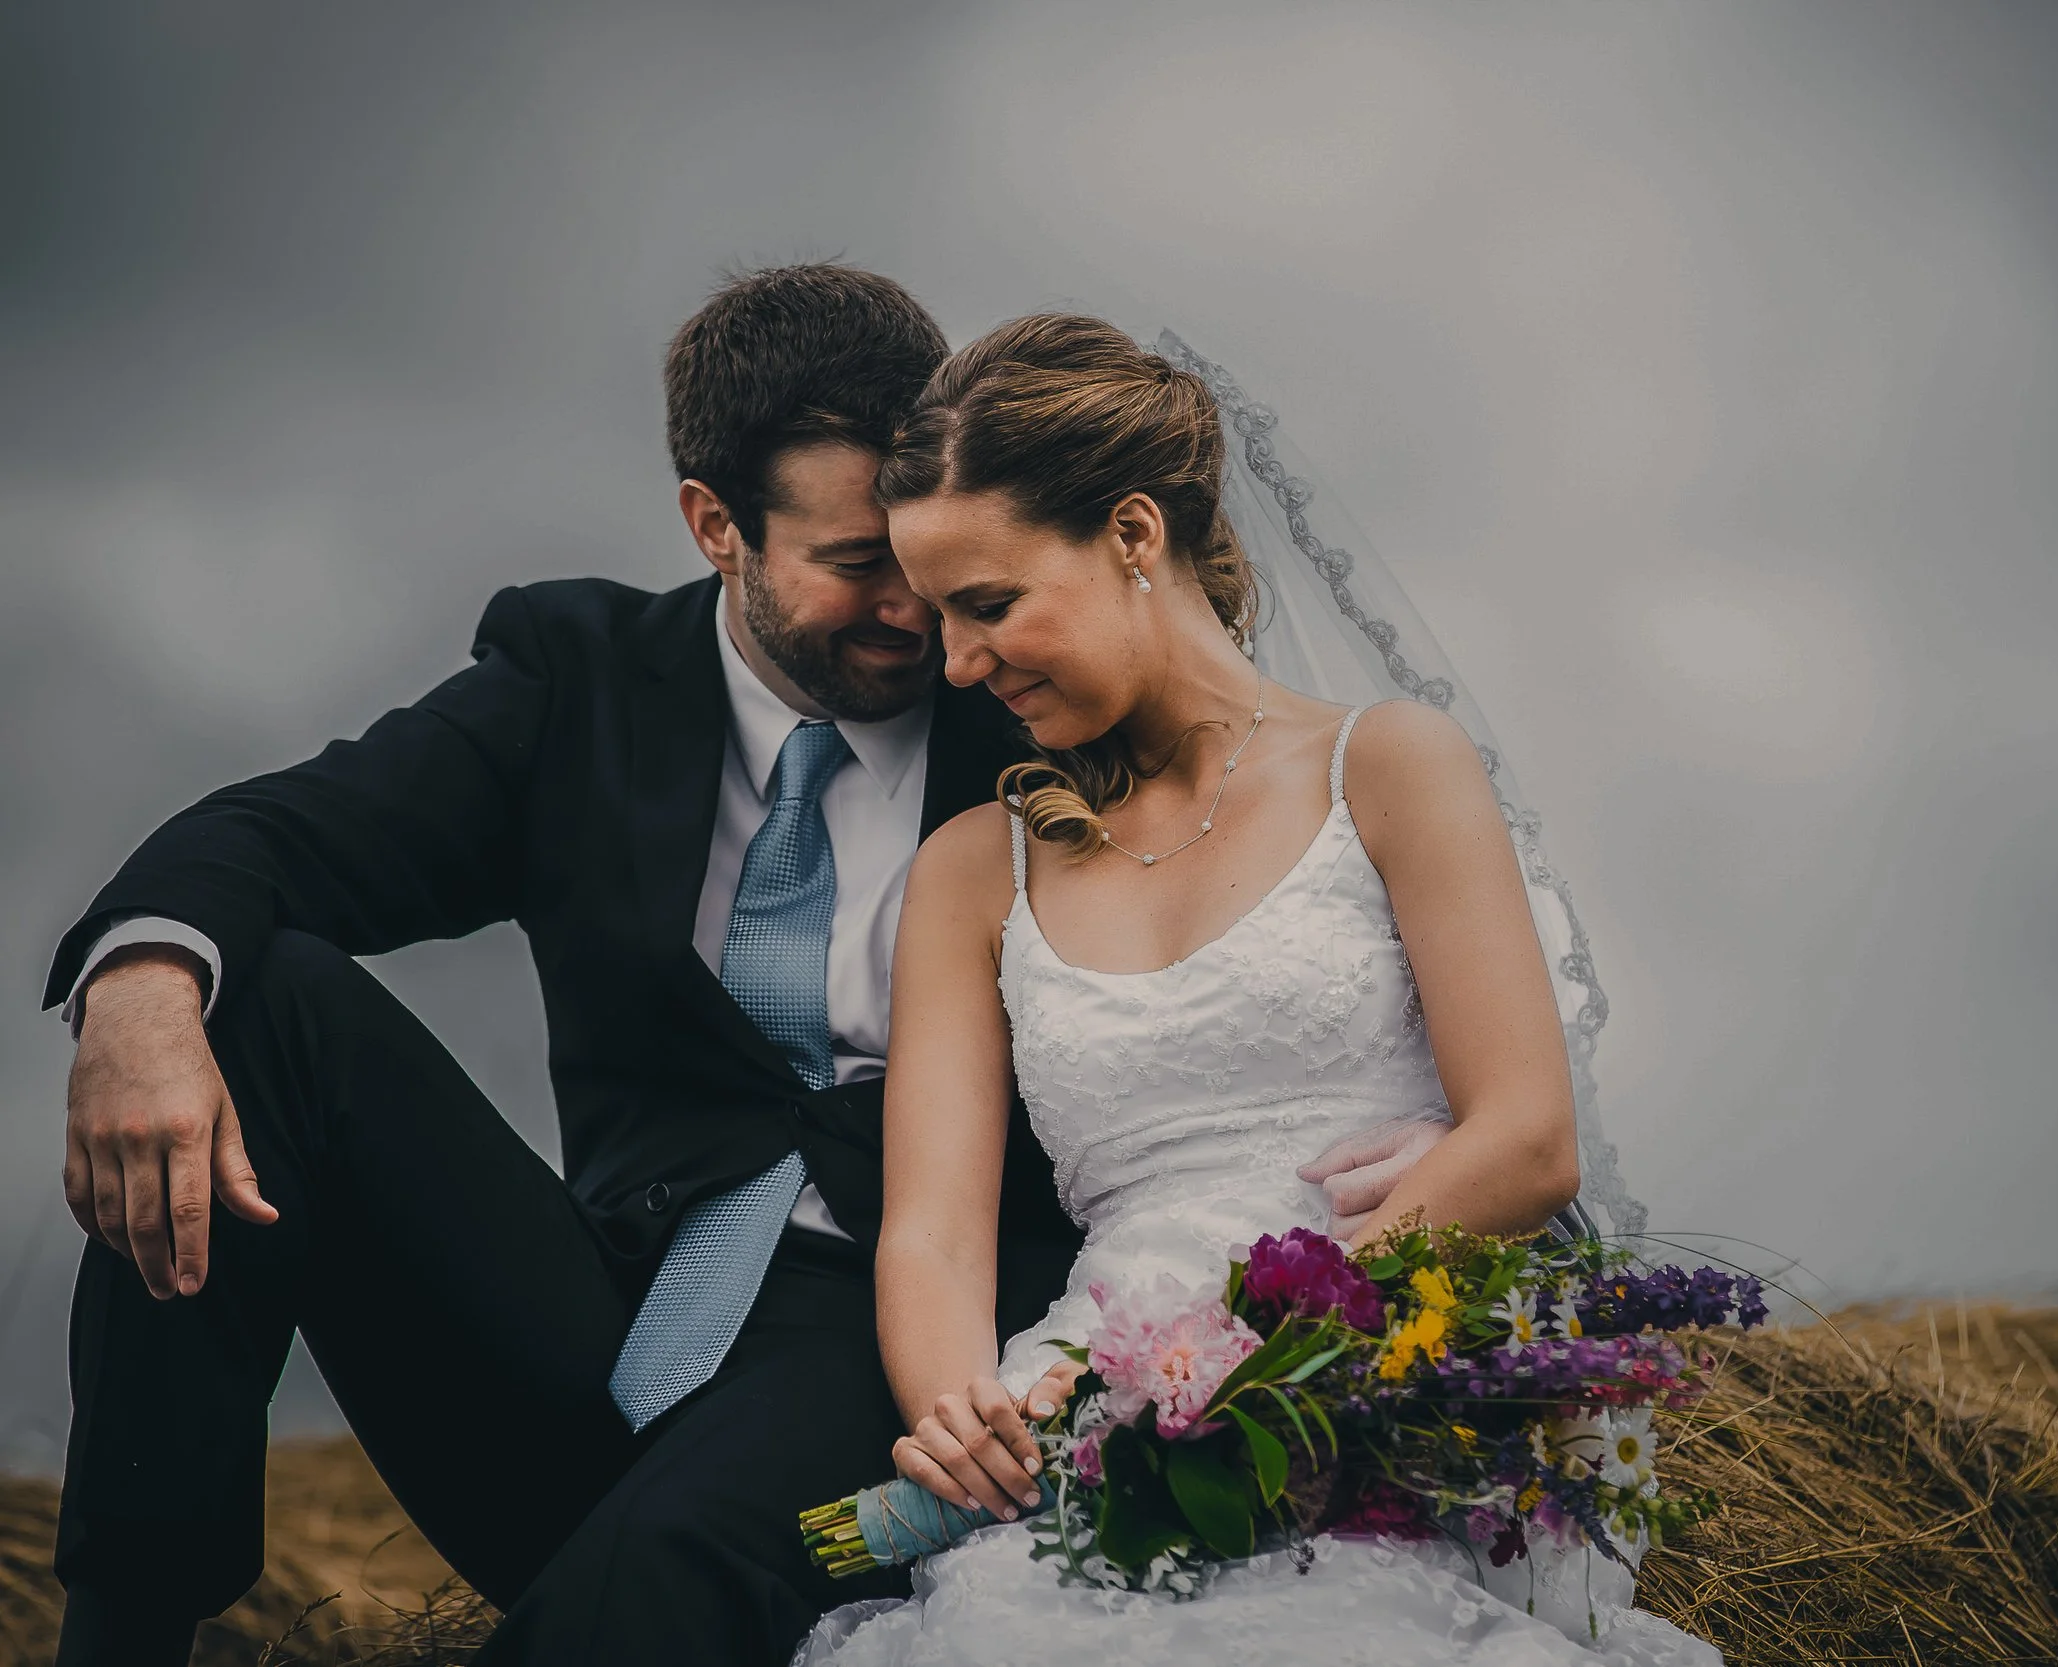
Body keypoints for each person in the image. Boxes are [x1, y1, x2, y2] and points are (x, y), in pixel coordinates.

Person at [42, 266, 1434, 1667]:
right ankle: (118, 1630)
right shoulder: (574, 680)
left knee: (665, 1568)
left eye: (929, 552)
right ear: (716, 526)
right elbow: (279, 831)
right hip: (597, 1333)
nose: (920, 612)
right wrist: (143, 988)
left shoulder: (1040, 702)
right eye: (856, 563)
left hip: (897, 1353)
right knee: (260, 999)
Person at [797, 315, 1716, 1664]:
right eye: (937, 616)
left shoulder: (1389, 768)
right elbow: (932, 1232)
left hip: (1375, 1379)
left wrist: (1250, 1363)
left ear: (1130, 533)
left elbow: (1523, 1136)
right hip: (1083, 1403)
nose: (956, 662)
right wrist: (973, 1425)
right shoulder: (969, 871)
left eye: (987, 603)